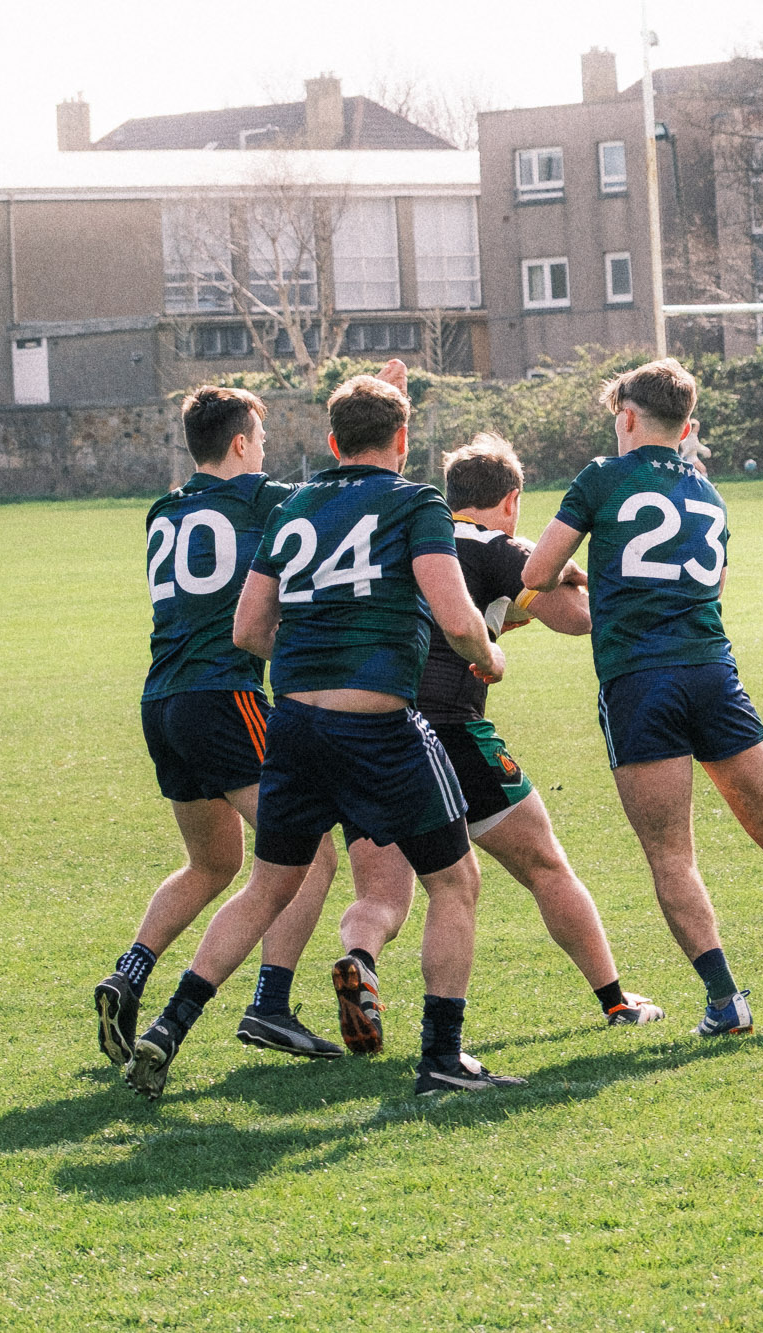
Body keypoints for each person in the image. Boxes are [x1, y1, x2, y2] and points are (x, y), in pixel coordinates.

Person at [122, 362, 518, 1101]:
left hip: (295, 727)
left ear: (332, 442)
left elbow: (248, 629)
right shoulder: (417, 502)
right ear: (403, 439)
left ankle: (169, 1027)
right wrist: (488, 657)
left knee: (268, 885)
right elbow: (458, 617)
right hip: (380, 730)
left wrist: (312, 660)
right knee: (454, 882)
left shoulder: (295, 504)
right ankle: (442, 1057)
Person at [519, 358, 763, 1036]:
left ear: (627, 418)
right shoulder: (712, 497)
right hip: (713, 675)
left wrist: (588, 571)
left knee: (672, 854)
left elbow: (536, 573)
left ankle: (726, 1000)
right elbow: (712, 588)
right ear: (686, 426)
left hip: (640, 683)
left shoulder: (602, 477)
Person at [327, 433, 665, 1053]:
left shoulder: (403, 536)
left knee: (381, 895)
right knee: (543, 865)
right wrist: (566, 568)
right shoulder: (496, 545)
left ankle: (360, 960)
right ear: (511, 501)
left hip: (366, 733)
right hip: (450, 734)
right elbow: (577, 619)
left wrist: (504, 612)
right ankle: (617, 1000)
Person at [95, 386, 345, 1070]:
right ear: (239, 443)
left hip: (162, 701)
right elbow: (340, 494)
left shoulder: (163, 509)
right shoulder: (259, 499)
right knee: (311, 851)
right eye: (260, 441)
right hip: (223, 695)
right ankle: (270, 1004)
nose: (264, 453)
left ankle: (129, 973)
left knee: (213, 863)